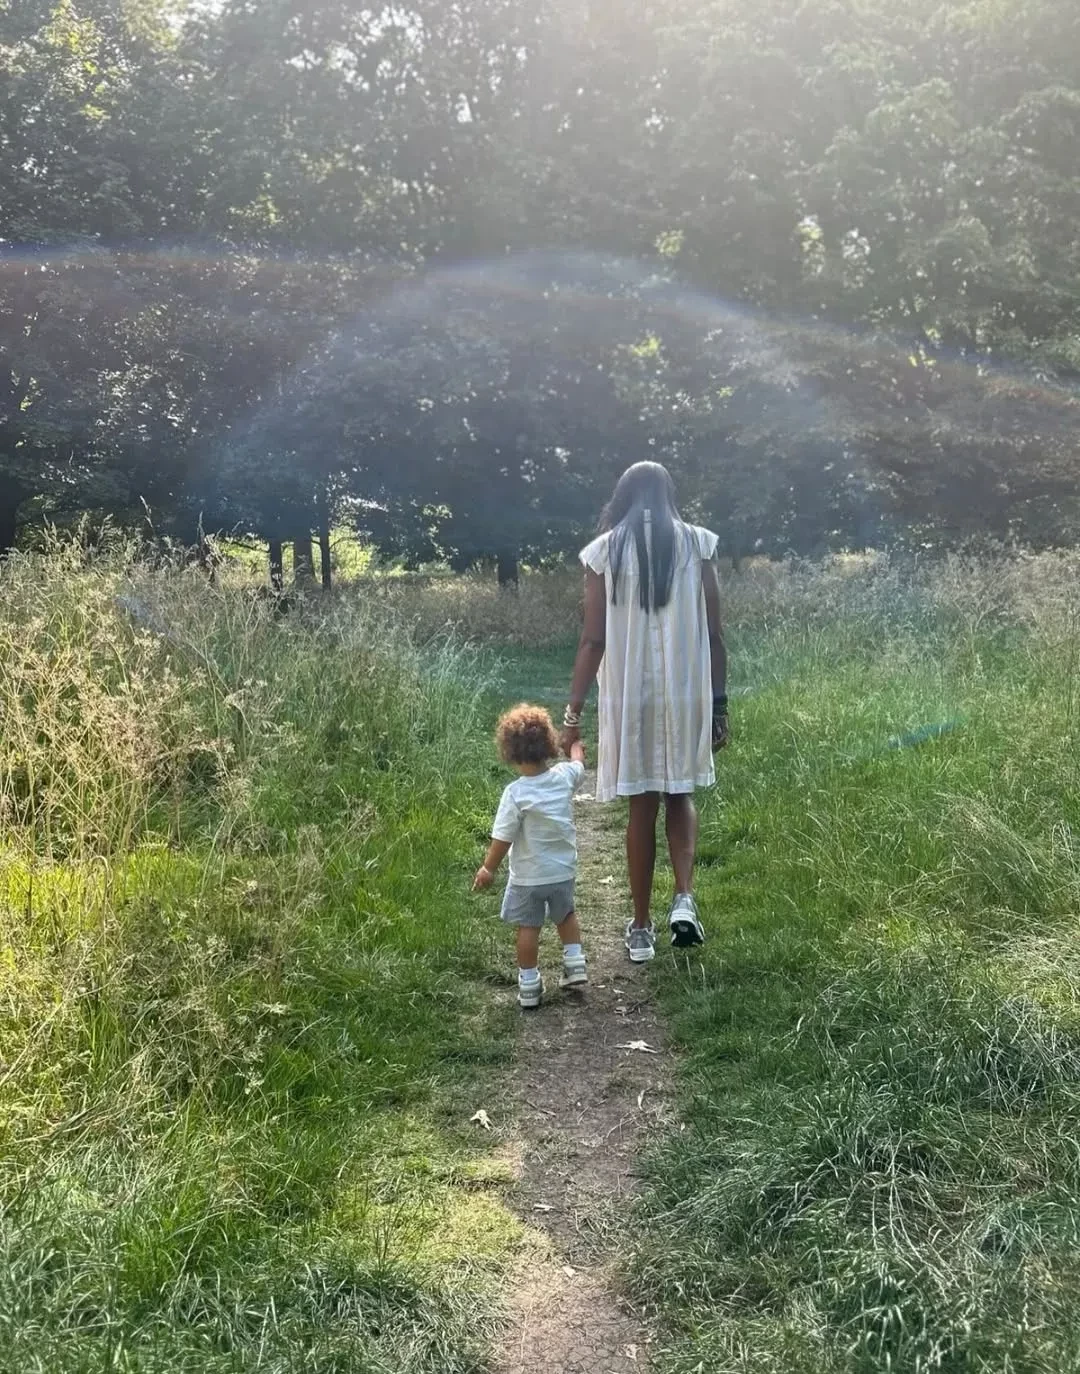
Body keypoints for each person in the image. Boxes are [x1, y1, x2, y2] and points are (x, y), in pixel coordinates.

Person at [561, 461, 728, 963]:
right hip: (686, 690)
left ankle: (640, 928)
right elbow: (715, 635)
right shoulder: (698, 545)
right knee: (680, 792)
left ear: (623, 497)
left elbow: (593, 640)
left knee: (641, 806)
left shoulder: (604, 552)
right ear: (669, 495)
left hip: (630, 694)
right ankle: (683, 898)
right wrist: (720, 705)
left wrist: (572, 714)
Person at [473, 704, 589, 1008]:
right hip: (562, 871)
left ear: (509, 752)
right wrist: (575, 748)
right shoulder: (564, 776)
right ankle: (575, 963)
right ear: (549, 744)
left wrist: (488, 868)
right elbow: (578, 765)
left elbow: (503, 838)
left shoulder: (515, 793)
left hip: (528, 877)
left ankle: (528, 985)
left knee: (528, 927)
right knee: (566, 915)